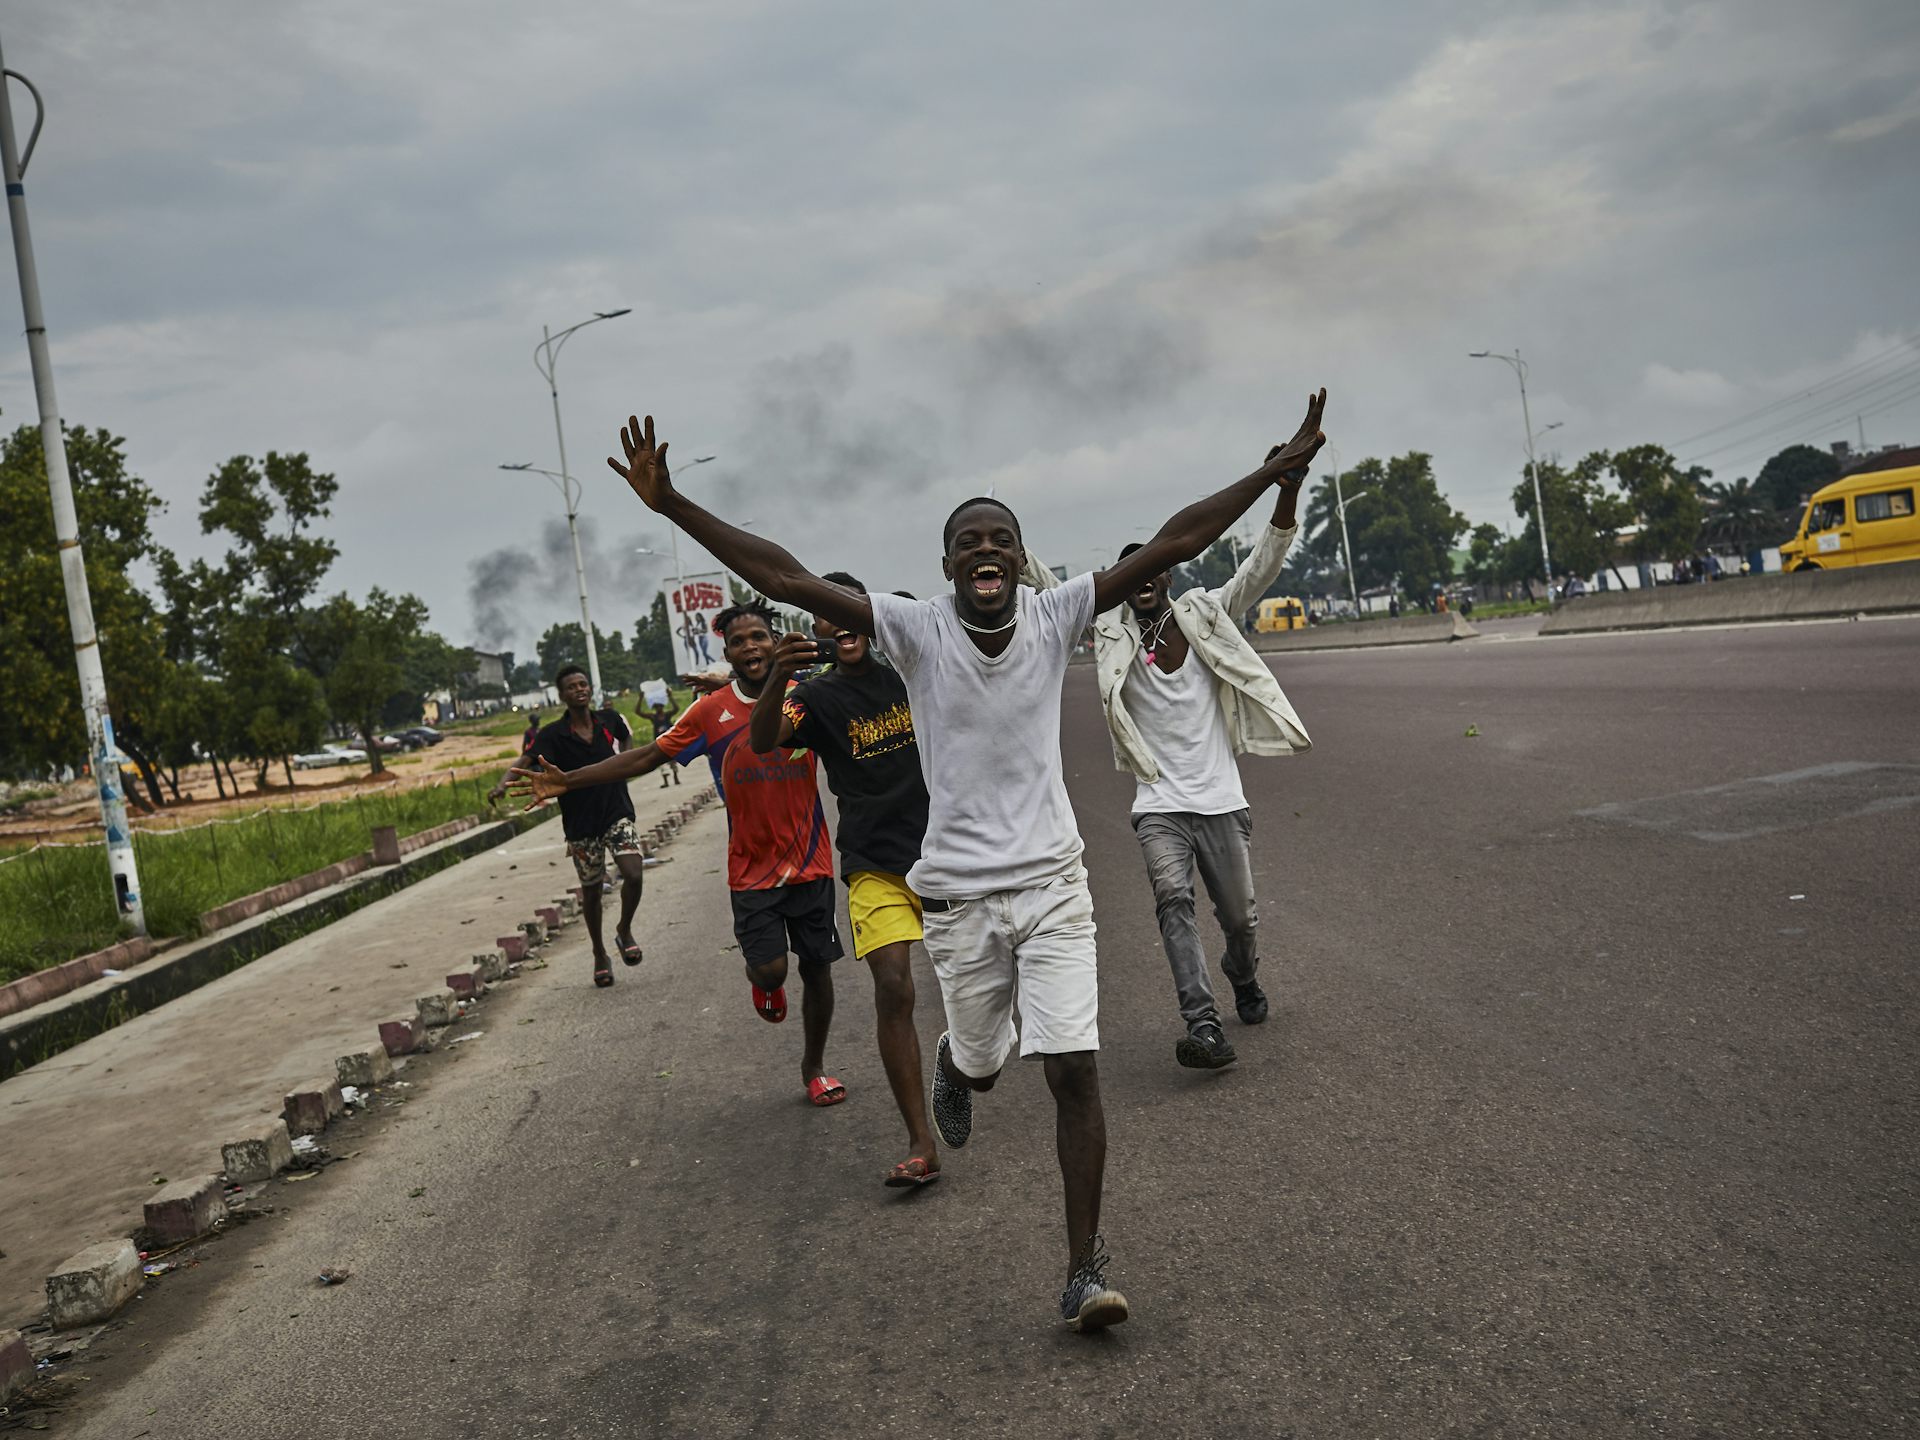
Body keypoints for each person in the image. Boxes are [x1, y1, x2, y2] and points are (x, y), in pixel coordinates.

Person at [604, 391, 1328, 1332]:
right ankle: (960, 1064)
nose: (985, 551)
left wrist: (1273, 475)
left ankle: (1083, 1269)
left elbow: (1176, 540)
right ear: (946, 565)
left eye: (1000, 540)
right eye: (967, 542)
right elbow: (783, 577)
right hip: (958, 902)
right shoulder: (913, 629)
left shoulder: (1056, 611)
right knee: (985, 1065)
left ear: (1019, 561)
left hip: (1054, 887)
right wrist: (676, 509)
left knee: (1072, 1071)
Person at [1023, 457, 1311, 1070]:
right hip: (1158, 803)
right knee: (1171, 899)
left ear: (1169, 574)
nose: (1143, 578)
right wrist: (1014, 549)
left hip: (1221, 799)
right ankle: (1202, 1025)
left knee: (1240, 918)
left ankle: (1243, 973)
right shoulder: (1108, 631)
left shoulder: (1207, 613)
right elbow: (1050, 589)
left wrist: (1286, 493)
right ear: (1126, 583)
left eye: (1154, 565)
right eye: (1133, 571)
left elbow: (1262, 564)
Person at [510, 602, 848, 1107]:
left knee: (817, 967)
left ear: (775, 642)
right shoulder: (710, 712)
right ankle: (764, 982)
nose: (750, 647)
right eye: (739, 641)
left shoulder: (807, 698)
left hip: (811, 860)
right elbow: (647, 756)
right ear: (728, 653)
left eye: (759, 636)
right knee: (773, 970)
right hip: (751, 868)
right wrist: (569, 781)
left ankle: (814, 1067)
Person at [748, 571, 941, 1188]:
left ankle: (963, 1068)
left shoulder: (910, 672)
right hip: (872, 864)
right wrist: (779, 672)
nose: (840, 625)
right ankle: (919, 1141)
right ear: (814, 629)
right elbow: (762, 738)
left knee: (980, 1004)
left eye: (851, 610)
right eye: (823, 616)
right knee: (894, 987)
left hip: (947, 854)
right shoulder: (815, 696)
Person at [488, 668, 642, 989]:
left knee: (634, 874)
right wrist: (503, 786)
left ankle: (624, 930)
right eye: (571, 687)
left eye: (583, 684)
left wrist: (624, 761)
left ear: (590, 689)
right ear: (562, 696)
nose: (579, 690)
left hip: (617, 812)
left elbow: (627, 739)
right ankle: (600, 953)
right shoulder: (552, 735)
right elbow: (525, 762)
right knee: (591, 890)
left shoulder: (610, 720)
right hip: (581, 823)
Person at [647, 698, 682, 786]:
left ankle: (675, 777)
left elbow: (676, 709)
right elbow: (638, 712)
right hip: (659, 742)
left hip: (670, 740)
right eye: (657, 707)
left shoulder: (667, 715)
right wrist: (640, 698)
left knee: (673, 760)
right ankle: (666, 781)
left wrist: (671, 697)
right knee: (661, 761)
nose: (659, 708)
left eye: (660, 706)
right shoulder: (653, 717)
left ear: (662, 707)